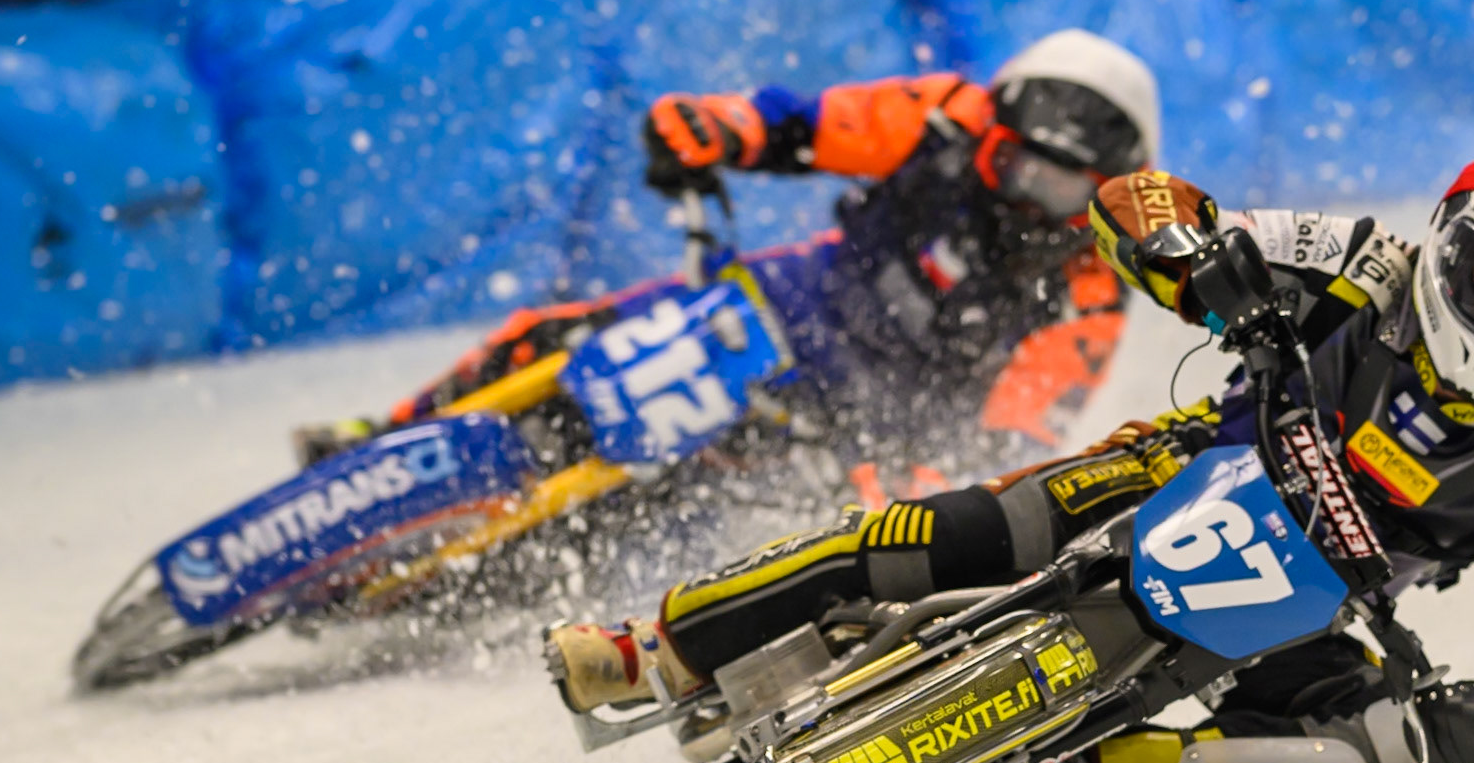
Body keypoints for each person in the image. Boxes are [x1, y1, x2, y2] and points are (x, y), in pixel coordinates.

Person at [548, 139, 1474, 763]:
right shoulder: (1366, 263)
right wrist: (1197, 260)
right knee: (942, 536)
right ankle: (655, 650)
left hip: (1308, 613)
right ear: (1453, 247)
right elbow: (1143, 201)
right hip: (1180, 470)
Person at [295, 29, 1163, 505]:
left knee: (741, 506)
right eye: (1019, 164)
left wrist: (937, 481)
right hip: (802, 296)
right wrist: (717, 126)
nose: (1028, 197)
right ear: (993, 133)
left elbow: (1013, 439)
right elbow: (807, 125)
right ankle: (383, 442)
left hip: (891, 417)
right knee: (552, 336)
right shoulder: (945, 114)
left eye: (1059, 187)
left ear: (1103, 193)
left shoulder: (1091, 291)